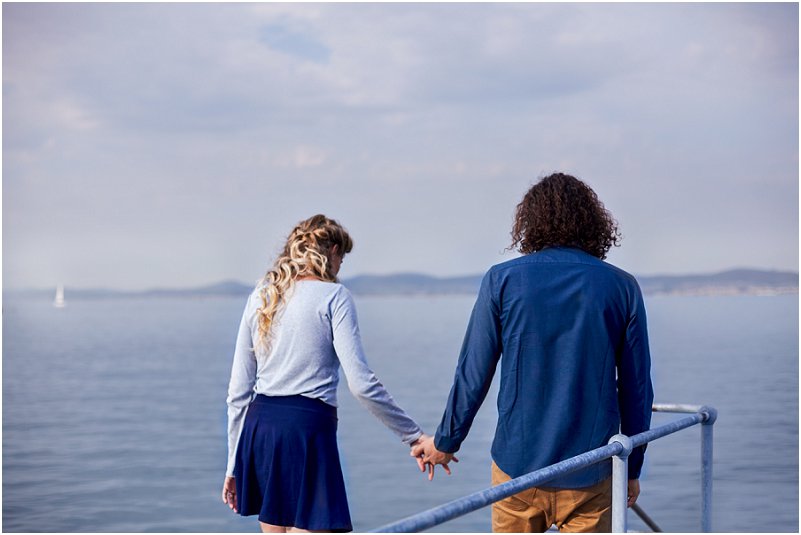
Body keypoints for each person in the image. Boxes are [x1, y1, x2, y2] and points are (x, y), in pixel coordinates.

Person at [412, 173, 654, 533]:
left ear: (530, 221)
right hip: (594, 469)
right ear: (593, 223)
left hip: (517, 472)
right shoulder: (621, 287)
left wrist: (446, 442)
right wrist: (630, 468)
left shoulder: (502, 280)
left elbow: (473, 373)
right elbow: (636, 389)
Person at [222, 214, 429, 533]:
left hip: (260, 428)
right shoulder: (335, 297)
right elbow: (361, 385)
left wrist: (233, 465)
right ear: (332, 251)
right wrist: (414, 436)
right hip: (307, 430)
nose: (341, 265)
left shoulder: (261, 296)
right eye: (342, 257)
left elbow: (238, 393)